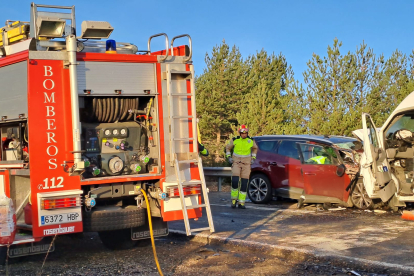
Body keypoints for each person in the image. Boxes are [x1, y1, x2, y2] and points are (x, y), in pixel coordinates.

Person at [225, 125, 258, 209]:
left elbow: (255, 149)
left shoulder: (251, 140)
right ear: (240, 133)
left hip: (246, 164)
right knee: (235, 181)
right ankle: (233, 200)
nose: (244, 135)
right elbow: (228, 148)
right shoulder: (235, 140)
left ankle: (241, 203)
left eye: (246, 133)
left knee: (244, 183)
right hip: (236, 162)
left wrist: (253, 158)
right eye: (243, 133)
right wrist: (229, 157)